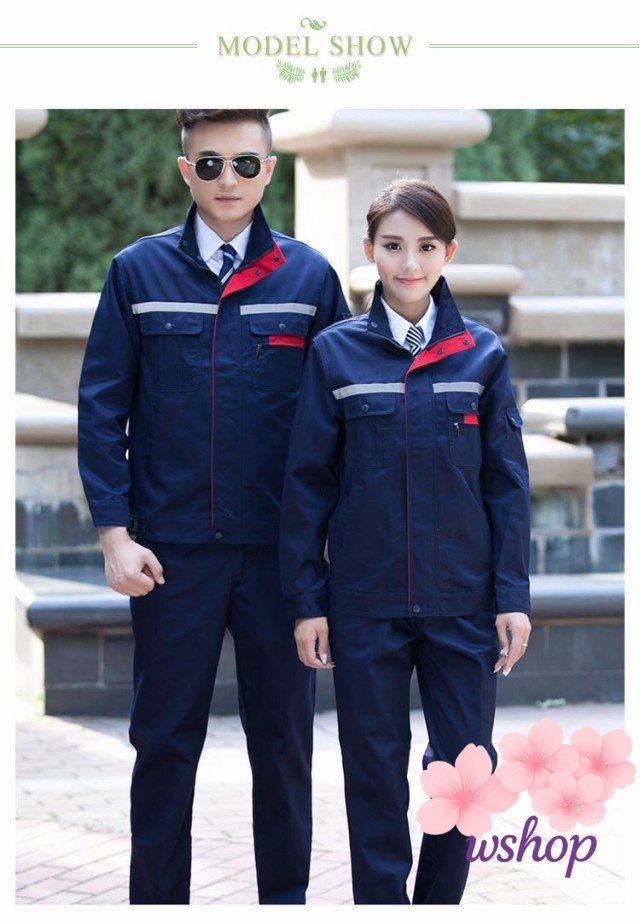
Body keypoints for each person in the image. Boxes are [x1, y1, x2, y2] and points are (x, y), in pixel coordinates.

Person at [77, 109, 350, 905]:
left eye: (243, 163)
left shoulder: (309, 279)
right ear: (184, 169)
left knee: (284, 747)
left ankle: (284, 908)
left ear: (269, 171)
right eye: (208, 164)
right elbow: (101, 409)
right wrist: (115, 536)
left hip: (279, 561)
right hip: (171, 557)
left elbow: (345, 422)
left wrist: (332, 547)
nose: (227, 180)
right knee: (164, 745)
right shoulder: (137, 273)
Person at [279, 178, 532, 904]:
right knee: (373, 771)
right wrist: (308, 602)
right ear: (370, 251)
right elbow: (307, 488)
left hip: (462, 602)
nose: (409, 262)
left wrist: (512, 596)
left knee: (466, 771)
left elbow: (507, 486)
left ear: (449, 251)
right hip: (365, 603)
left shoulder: (482, 355)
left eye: (425, 246)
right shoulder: (335, 355)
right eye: (393, 246)